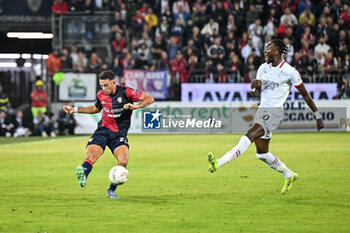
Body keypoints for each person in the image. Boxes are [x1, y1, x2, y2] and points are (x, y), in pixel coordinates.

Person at [207, 39, 324, 195]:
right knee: (261, 153)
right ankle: (289, 174)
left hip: (275, 112)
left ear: (276, 51)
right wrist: (253, 87)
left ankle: (218, 163)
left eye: (268, 48)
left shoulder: (290, 71)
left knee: (250, 134)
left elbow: (305, 95)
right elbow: (257, 94)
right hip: (262, 111)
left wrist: (317, 116)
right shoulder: (263, 68)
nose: (264, 51)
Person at [63, 70, 154, 199]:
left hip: (119, 134)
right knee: (92, 154)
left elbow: (150, 99)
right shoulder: (100, 94)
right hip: (103, 131)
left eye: (106, 85)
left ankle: (111, 190)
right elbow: (96, 108)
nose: (104, 88)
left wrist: (137, 106)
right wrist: (75, 110)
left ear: (113, 82)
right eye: (101, 86)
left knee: (123, 162)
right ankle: (83, 172)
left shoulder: (126, 92)